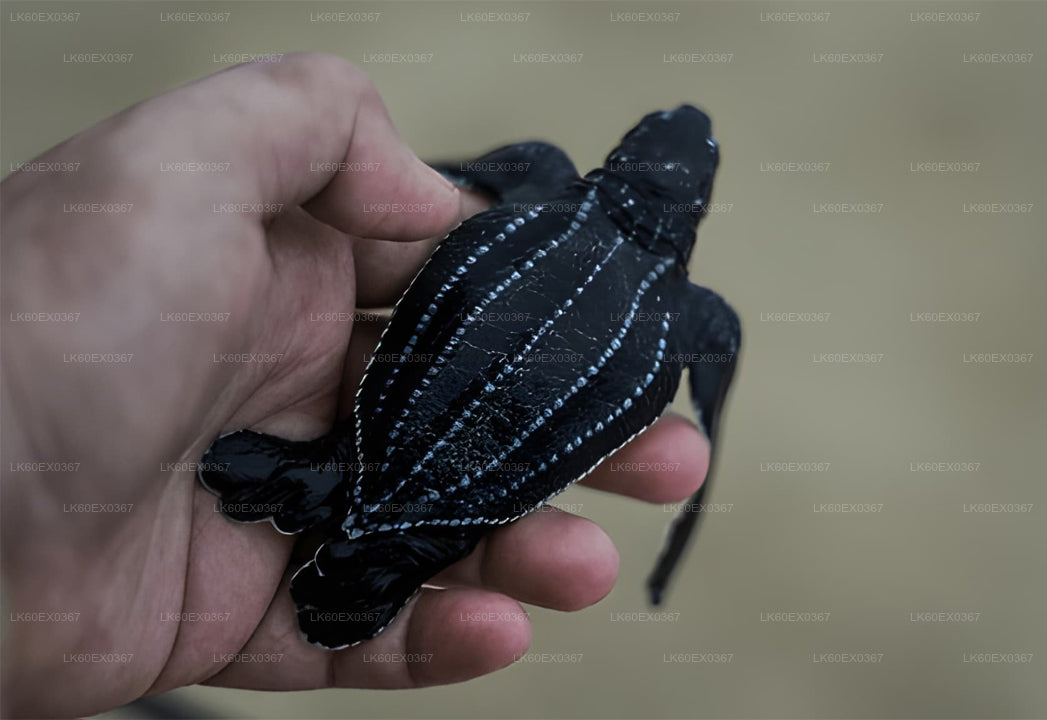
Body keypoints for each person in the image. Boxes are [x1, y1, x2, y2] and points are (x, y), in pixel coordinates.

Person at [0, 53, 710, 718]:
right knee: (479, 541)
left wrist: (428, 181)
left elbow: (464, 185)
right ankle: (388, 557)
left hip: (393, 418)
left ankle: (332, 479)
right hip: (487, 464)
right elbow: (711, 390)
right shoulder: (697, 318)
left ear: (623, 162)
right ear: (692, 213)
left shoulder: (547, 181)